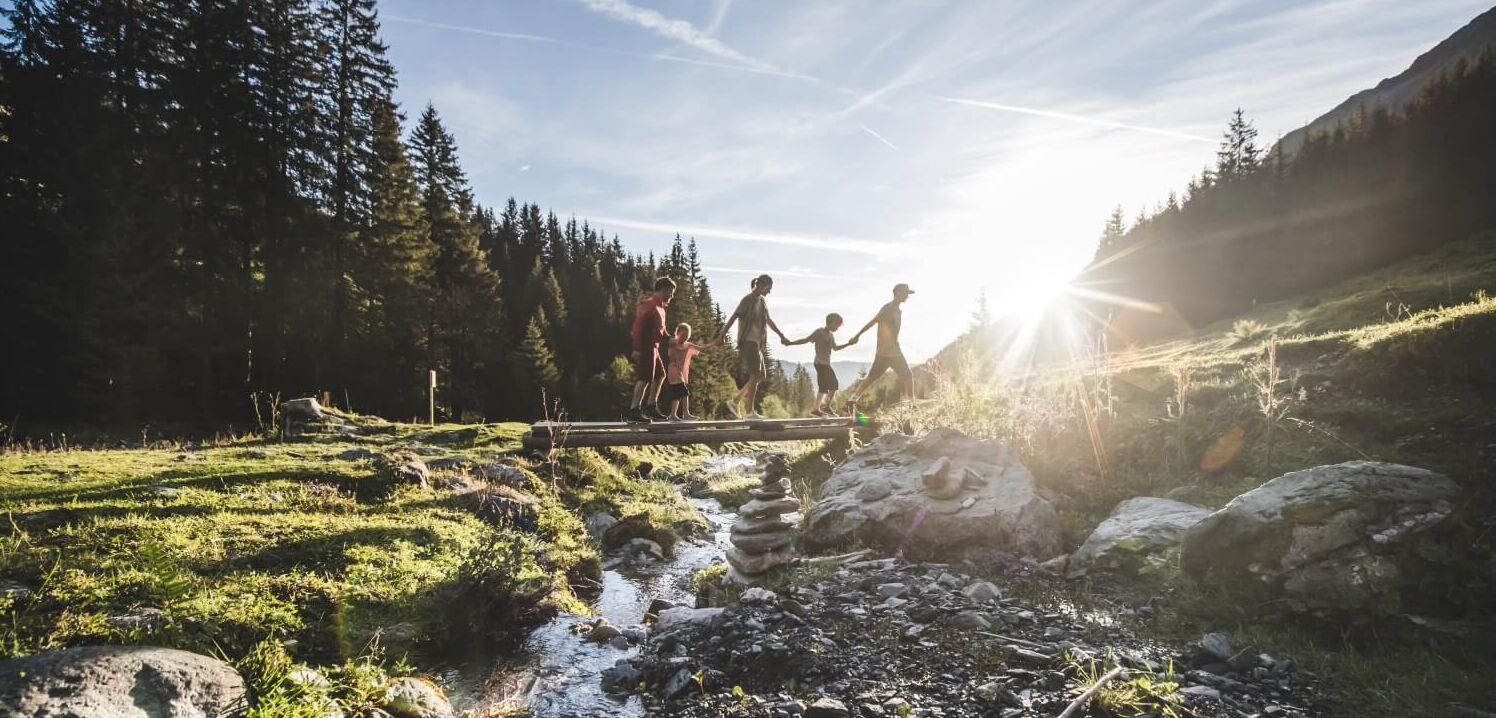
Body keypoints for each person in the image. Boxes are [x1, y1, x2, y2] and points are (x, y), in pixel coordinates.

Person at [720, 274, 788, 419]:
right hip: (748, 341)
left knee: (761, 375)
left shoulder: (762, 302)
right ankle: (749, 412)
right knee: (755, 374)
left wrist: (781, 335)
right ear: (761, 285)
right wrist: (721, 336)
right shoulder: (747, 300)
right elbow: (734, 317)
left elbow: (768, 320)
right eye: (768, 288)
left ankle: (735, 400)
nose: (768, 292)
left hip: (757, 344)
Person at [846, 283, 915, 407]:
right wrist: (857, 335)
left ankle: (853, 398)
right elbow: (873, 321)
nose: (907, 296)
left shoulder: (898, 310)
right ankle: (911, 404)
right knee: (907, 375)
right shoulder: (888, 308)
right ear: (897, 293)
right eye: (905, 293)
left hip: (886, 351)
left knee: (873, 376)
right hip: (891, 351)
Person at [783, 313, 856, 416]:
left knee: (829, 386)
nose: (837, 328)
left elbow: (835, 348)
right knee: (828, 385)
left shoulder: (831, 335)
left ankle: (821, 408)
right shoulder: (819, 332)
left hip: (826, 363)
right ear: (830, 323)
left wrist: (849, 344)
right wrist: (790, 343)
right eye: (837, 325)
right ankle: (820, 408)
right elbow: (805, 340)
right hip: (820, 363)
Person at [627, 277, 677, 423]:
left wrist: (671, 339)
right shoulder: (650, 305)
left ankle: (651, 406)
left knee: (660, 375)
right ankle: (634, 410)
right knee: (644, 377)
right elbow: (637, 326)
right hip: (645, 346)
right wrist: (636, 348)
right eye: (670, 292)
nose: (671, 296)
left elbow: (662, 331)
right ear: (662, 289)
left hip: (654, 347)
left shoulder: (661, 308)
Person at [661, 322, 718, 421]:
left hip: (681, 373)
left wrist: (715, 343)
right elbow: (665, 336)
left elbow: (702, 348)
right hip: (674, 371)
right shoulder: (673, 343)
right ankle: (685, 413)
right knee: (684, 391)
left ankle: (673, 414)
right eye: (682, 335)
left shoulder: (688, 345)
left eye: (686, 336)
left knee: (677, 394)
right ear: (677, 333)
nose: (684, 338)